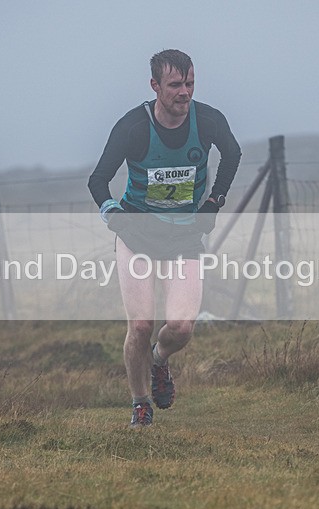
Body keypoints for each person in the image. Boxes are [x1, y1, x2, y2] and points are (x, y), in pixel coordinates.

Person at [88, 49, 241, 427]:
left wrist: (214, 201)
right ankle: (140, 403)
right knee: (140, 325)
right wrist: (115, 217)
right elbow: (97, 180)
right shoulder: (132, 128)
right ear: (155, 86)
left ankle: (159, 361)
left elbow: (233, 154)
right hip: (137, 236)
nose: (184, 92)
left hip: (185, 239)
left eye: (190, 83)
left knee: (182, 326)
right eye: (175, 85)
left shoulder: (207, 121)